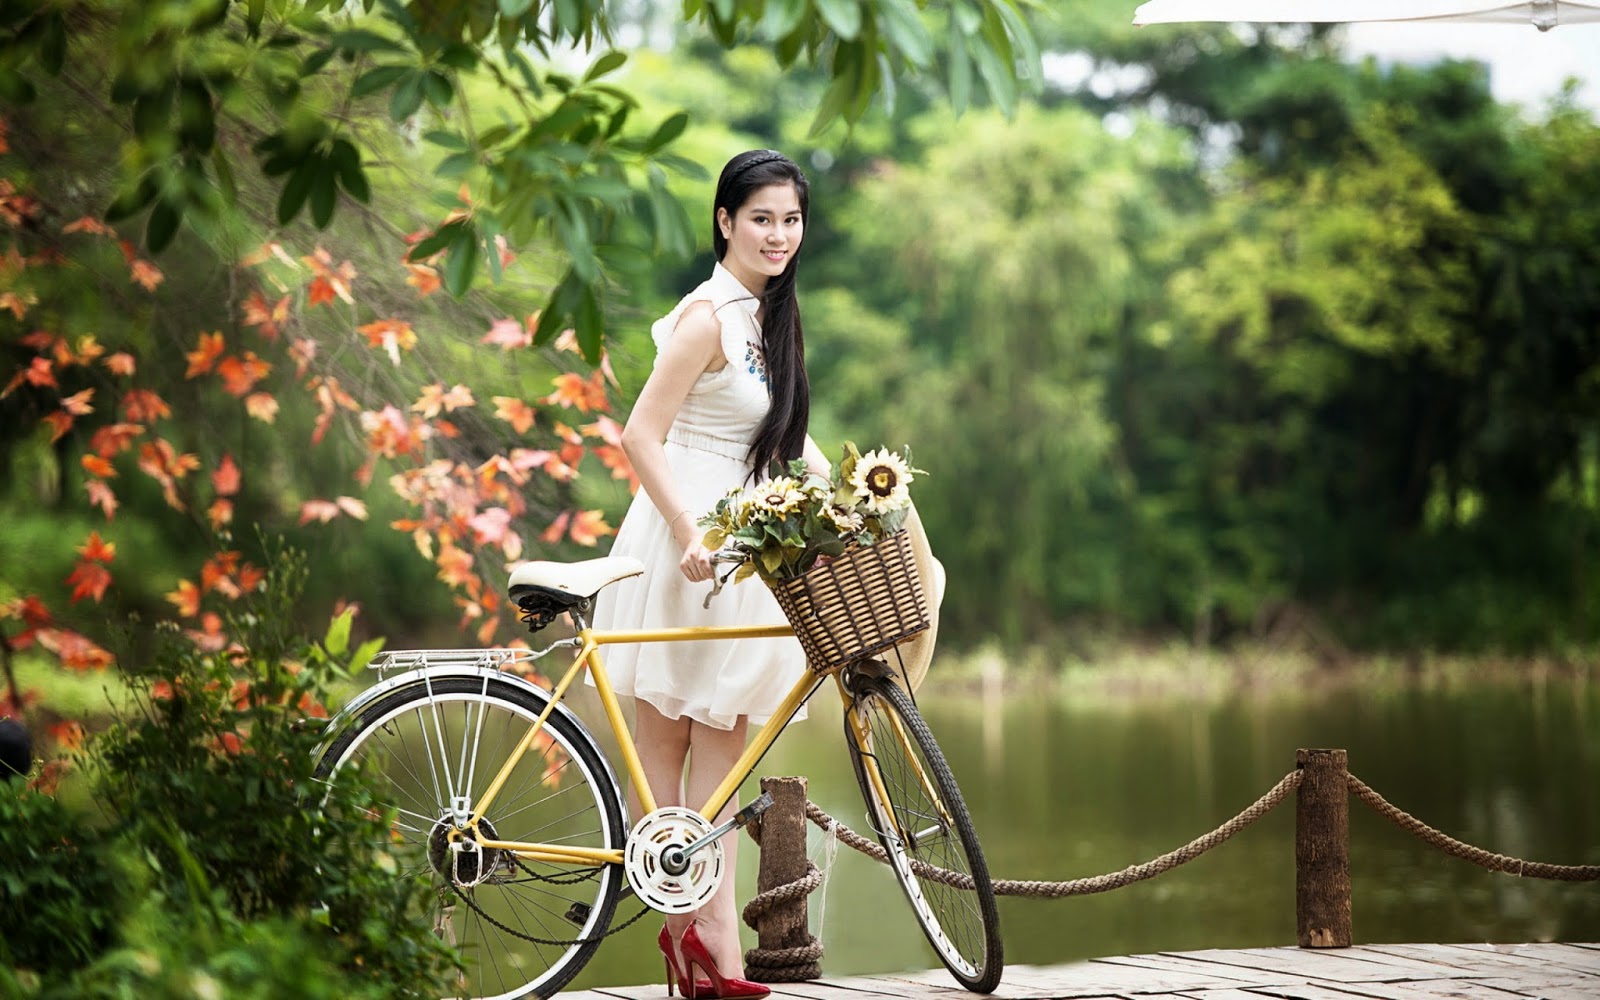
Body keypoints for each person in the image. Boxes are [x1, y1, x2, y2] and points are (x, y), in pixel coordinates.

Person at [593, 149, 828, 999]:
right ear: (725, 222)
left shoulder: (768, 318)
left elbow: (780, 446)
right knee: (669, 777)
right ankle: (710, 962)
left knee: (719, 775)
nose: (778, 234)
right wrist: (691, 529)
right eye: (761, 217)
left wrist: (842, 507)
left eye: (791, 219)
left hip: (742, 550)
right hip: (684, 544)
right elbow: (639, 435)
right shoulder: (707, 317)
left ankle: (705, 960)